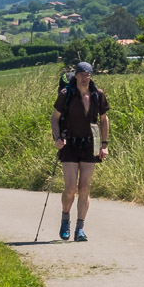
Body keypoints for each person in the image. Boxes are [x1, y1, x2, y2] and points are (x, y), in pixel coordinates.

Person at [50, 61, 110, 241]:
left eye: (88, 75)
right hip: (69, 144)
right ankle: (65, 219)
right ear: (75, 75)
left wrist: (104, 145)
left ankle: (80, 228)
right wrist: (57, 138)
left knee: (84, 188)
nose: (85, 78)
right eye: (82, 74)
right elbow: (54, 119)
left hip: (90, 145)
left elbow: (104, 120)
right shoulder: (66, 94)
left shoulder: (98, 95)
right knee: (70, 188)